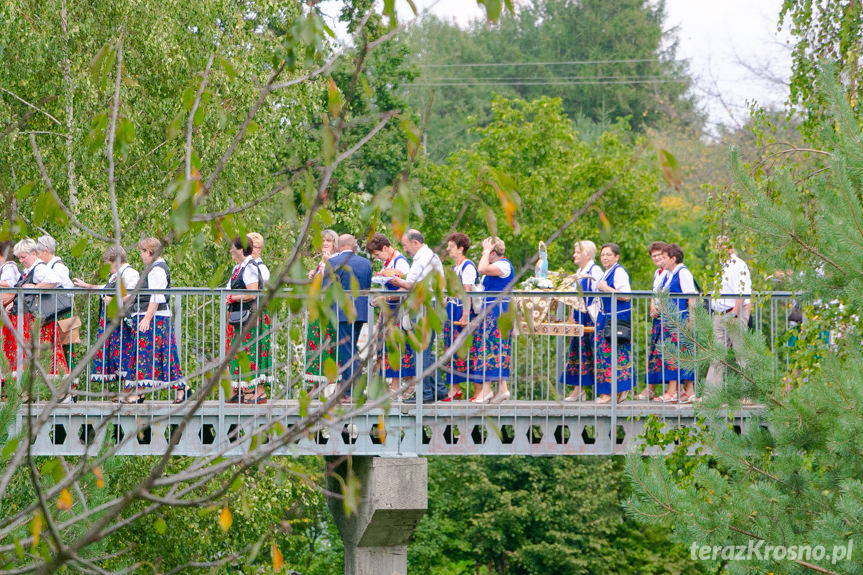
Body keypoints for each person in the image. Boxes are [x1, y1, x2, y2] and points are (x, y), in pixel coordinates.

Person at [386, 229, 447, 403]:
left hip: (425, 308)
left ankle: (425, 393)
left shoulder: (424, 258)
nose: (404, 249)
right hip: (427, 307)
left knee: (420, 351)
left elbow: (415, 286)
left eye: (405, 245)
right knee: (425, 351)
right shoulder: (427, 257)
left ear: (415, 243)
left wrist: (398, 282)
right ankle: (439, 390)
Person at [124, 238, 185, 403]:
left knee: (159, 353)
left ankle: (180, 388)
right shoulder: (152, 269)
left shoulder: (157, 269)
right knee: (148, 353)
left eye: (142, 252)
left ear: (150, 252)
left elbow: (156, 297)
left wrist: (146, 318)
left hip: (155, 318)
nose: (141, 256)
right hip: (153, 317)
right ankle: (140, 391)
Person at [3, 238, 69, 382]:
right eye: (19, 257)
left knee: (41, 353)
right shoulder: (30, 270)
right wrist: (13, 301)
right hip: (29, 320)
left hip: (37, 321)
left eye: (23, 257)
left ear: (33, 254)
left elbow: (54, 280)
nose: (21, 260)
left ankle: (53, 388)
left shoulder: (39, 268)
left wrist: (35, 287)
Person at [73, 246, 140, 387]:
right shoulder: (116, 275)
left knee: (124, 354)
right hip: (114, 321)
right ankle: (126, 390)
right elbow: (105, 287)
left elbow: (133, 294)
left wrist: (116, 301)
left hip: (124, 322)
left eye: (108, 263)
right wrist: (87, 286)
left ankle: (131, 391)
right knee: (116, 355)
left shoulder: (130, 273)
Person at [324, 234, 372, 401]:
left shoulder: (332, 263)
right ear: (354, 246)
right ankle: (347, 390)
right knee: (350, 349)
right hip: (360, 312)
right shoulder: (366, 263)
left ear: (338, 246)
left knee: (347, 351)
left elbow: (326, 289)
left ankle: (354, 391)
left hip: (341, 312)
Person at [367, 233, 415, 395]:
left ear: (386, 248)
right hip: (389, 310)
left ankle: (400, 385)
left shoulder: (400, 262)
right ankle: (396, 385)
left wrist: (384, 298)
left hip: (399, 310)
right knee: (387, 347)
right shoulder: (388, 262)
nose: (378, 258)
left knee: (396, 347)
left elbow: (405, 289)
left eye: (378, 254)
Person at [468, 237, 515, 403]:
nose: (483, 254)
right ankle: (502, 389)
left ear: (493, 253)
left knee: (490, 347)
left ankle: (486, 391)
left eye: (486, 251)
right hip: (491, 310)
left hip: (498, 311)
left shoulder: (504, 265)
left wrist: (486, 251)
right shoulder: (499, 266)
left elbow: (481, 268)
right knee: (490, 347)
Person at [225, 235, 270, 404]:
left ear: (241, 250)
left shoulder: (250, 267)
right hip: (239, 317)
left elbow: (252, 293)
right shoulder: (238, 268)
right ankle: (243, 390)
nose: (230, 251)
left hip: (250, 316)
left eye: (233, 248)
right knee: (239, 352)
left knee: (250, 352)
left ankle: (257, 391)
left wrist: (233, 298)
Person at [704, 236, 752, 393]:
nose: (720, 250)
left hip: (733, 312)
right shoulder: (721, 265)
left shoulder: (739, 265)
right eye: (718, 247)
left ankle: (749, 393)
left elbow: (742, 291)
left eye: (723, 246)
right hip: (720, 313)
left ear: (730, 248)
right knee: (717, 355)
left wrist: (735, 313)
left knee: (741, 355)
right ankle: (711, 394)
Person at [652, 243, 697, 403]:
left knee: (676, 354)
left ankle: (672, 392)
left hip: (679, 319)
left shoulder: (683, 273)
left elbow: (691, 297)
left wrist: (691, 320)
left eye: (664, 258)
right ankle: (687, 391)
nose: (662, 261)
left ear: (673, 258)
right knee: (673, 354)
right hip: (669, 319)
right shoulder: (671, 274)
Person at [559, 240, 603, 401]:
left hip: (590, 317)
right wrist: (572, 314)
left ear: (587, 254)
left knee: (595, 352)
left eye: (577, 252)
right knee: (578, 352)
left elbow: (599, 293)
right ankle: (578, 389)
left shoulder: (595, 270)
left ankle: (604, 391)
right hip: (579, 316)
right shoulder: (580, 271)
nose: (574, 255)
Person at [593, 243, 633, 403]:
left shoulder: (619, 272)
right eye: (603, 255)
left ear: (616, 256)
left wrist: (606, 288)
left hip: (617, 317)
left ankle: (617, 390)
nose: (605, 258)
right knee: (605, 354)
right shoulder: (606, 272)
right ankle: (611, 392)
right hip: (606, 316)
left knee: (616, 352)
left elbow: (626, 296)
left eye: (608, 255)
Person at [441, 232, 477, 401]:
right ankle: (454, 388)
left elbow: (467, 291)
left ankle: (473, 389)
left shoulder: (467, 266)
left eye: (451, 247)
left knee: (462, 349)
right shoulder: (456, 268)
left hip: (461, 310)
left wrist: (464, 313)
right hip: (452, 308)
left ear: (461, 248)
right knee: (450, 348)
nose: (448, 250)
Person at [304, 229, 338, 393]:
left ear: (335, 244)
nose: (325, 244)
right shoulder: (323, 261)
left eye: (329, 241)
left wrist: (323, 268)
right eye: (323, 241)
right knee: (315, 346)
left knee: (327, 345)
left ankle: (327, 383)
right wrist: (314, 273)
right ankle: (317, 382)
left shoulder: (334, 260)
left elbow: (330, 281)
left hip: (328, 309)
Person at [37, 235, 77, 373]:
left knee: (63, 346)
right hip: (57, 311)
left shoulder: (57, 267)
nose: (38, 256)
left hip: (61, 312)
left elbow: (68, 288)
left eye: (39, 253)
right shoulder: (52, 266)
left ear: (46, 251)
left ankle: (68, 384)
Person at [640, 241, 669, 400]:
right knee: (654, 353)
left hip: (668, 316)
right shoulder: (657, 273)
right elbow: (654, 292)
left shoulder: (670, 271)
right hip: (657, 317)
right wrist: (652, 306)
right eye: (654, 256)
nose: (657, 258)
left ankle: (671, 390)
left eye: (659, 255)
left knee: (667, 354)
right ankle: (650, 388)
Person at [0, 240, 20, 388]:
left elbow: (10, 283)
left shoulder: (9, 267)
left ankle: (9, 386)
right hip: (7, 314)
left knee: (9, 348)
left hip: (9, 313)